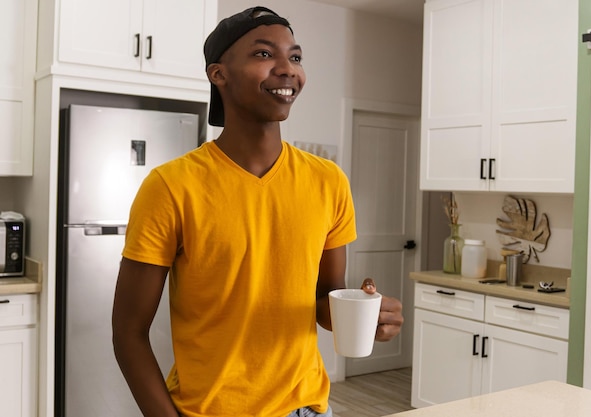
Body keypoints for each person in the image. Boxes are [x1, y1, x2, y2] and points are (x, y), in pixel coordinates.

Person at [112, 6, 403, 417]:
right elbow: (128, 333)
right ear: (219, 74)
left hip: (307, 409)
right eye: (264, 55)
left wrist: (364, 315)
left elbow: (323, 301)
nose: (288, 69)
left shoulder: (328, 181)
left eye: (296, 57)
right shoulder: (171, 187)